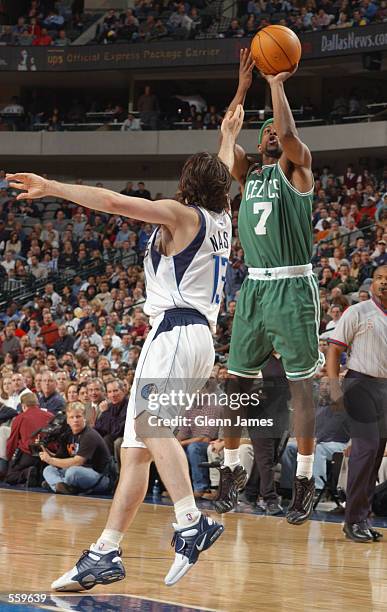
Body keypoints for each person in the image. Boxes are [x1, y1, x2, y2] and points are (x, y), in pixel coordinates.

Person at [7, 115, 237, 589]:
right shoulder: (221, 217)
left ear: (184, 186)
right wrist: (228, 136)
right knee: (136, 451)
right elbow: (224, 170)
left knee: (151, 428)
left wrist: (52, 185)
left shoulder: (183, 214)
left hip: (176, 331)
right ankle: (105, 551)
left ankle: (192, 521)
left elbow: (112, 201)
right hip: (191, 339)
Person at [215, 49, 323, 524]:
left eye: (278, 131)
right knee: (236, 382)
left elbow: (293, 136)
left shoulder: (297, 171)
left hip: (292, 288)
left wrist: (276, 85)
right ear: (259, 146)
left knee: (301, 388)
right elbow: (227, 138)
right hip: (254, 291)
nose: (273, 135)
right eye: (267, 134)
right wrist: (241, 89)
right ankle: (231, 471)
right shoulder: (249, 174)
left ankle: (303, 479)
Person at [327, 265, 387, 543]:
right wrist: (335, 387)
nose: (384, 283)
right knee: (367, 448)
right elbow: (335, 348)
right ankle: (352, 519)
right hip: (360, 383)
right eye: (379, 279)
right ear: (372, 283)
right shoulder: (357, 311)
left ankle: (362, 517)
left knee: (376, 455)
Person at [41, 403, 111, 495]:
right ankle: (62, 486)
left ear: (84, 418)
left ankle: (56, 484)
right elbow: (60, 460)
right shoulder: (67, 435)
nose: (75, 420)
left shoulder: (89, 435)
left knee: (72, 471)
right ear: (67, 420)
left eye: (78, 416)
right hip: (76, 473)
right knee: (48, 469)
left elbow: (78, 462)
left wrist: (51, 460)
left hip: (99, 477)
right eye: (71, 417)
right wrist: (46, 453)